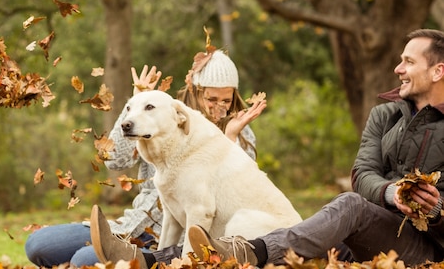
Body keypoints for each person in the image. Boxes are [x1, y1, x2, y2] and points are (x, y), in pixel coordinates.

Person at [187, 28, 444, 267]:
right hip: (371, 231)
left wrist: (435, 210)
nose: (398, 69)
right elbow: (363, 175)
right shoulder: (384, 115)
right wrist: (392, 193)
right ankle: (155, 256)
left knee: (349, 207)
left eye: (409, 62)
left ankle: (251, 252)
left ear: (437, 72)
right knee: (302, 235)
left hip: (425, 249)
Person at [25, 48, 265, 267]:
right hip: (132, 226)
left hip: (179, 241)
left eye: (226, 100)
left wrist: (230, 137)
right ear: (194, 90)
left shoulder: (240, 131)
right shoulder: (162, 113)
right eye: (212, 99)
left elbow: (237, 195)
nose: (219, 108)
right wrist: (134, 104)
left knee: (84, 261)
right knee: (39, 244)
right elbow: (114, 161)